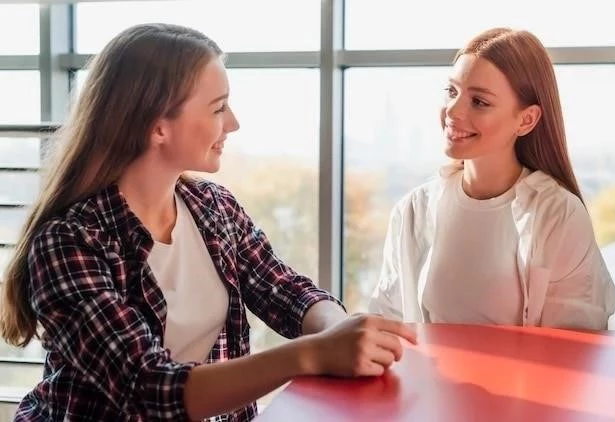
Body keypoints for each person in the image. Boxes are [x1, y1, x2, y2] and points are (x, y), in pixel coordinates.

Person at [0, 23, 416, 422]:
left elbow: (282, 289)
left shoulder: (213, 207)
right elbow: (149, 387)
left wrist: (340, 329)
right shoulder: (69, 242)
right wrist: (314, 353)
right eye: (218, 107)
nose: (233, 123)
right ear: (158, 127)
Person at [369, 27, 615, 330]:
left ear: (526, 120)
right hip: (424, 379)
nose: (453, 110)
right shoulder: (413, 209)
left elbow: (576, 346)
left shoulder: (559, 215)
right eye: (452, 91)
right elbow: (386, 326)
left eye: (479, 102)